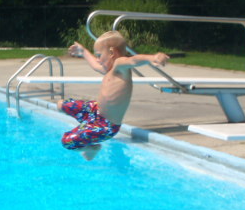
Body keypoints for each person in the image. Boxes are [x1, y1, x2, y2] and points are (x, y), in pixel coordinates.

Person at [57, 31, 170, 160]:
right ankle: (86, 127)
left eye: (99, 55)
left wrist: (153, 58)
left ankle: (92, 148)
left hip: (106, 125)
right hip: (94, 110)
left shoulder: (119, 66)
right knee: (61, 104)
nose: (98, 60)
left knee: (67, 141)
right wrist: (83, 51)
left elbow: (132, 60)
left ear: (112, 53)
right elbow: (95, 64)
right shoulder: (109, 69)